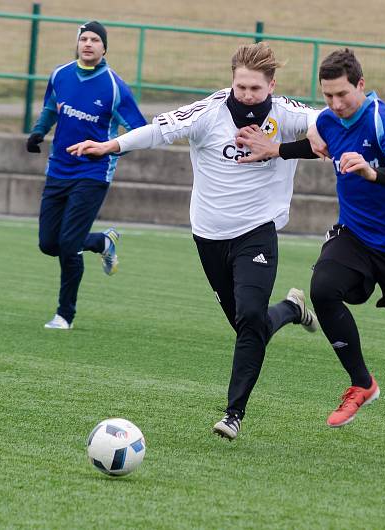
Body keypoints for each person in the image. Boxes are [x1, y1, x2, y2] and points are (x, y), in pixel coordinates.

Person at [66, 42, 320, 441]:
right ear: (231, 82)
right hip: (209, 235)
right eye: (241, 87)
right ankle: (290, 308)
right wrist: (110, 146)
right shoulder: (209, 113)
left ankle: (234, 414)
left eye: (256, 88)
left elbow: (331, 130)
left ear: (272, 84)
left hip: (258, 231)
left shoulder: (289, 114)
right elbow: (157, 131)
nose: (248, 96)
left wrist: (278, 149)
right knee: (247, 327)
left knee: (251, 319)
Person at [237, 49, 385, 461]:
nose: (336, 104)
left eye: (342, 95)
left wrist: (373, 172)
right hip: (354, 235)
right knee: (322, 288)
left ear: (360, 84)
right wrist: (275, 150)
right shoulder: (328, 119)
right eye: (328, 96)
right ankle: (362, 383)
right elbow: (315, 144)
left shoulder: (381, 120)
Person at [26, 21, 147, 330]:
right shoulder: (60, 75)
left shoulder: (114, 86)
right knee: (48, 243)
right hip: (57, 169)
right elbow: (51, 108)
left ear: (104, 47)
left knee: (68, 244)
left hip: (93, 173)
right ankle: (102, 243)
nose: (89, 43)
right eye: (84, 39)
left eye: (95, 39)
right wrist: (39, 131)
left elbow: (140, 132)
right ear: (77, 44)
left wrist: (107, 149)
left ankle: (64, 315)